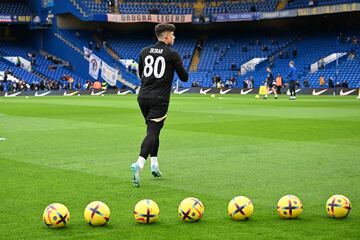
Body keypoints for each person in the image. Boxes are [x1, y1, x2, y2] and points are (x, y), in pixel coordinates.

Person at [130, 23, 188, 188]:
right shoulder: (172, 54)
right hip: (160, 99)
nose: (174, 38)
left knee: (152, 130)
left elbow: (141, 73)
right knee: (153, 131)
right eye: (173, 35)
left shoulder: (144, 51)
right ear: (167, 36)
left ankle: (154, 164)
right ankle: (139, 164)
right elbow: (184, 77)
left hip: (143, 97)